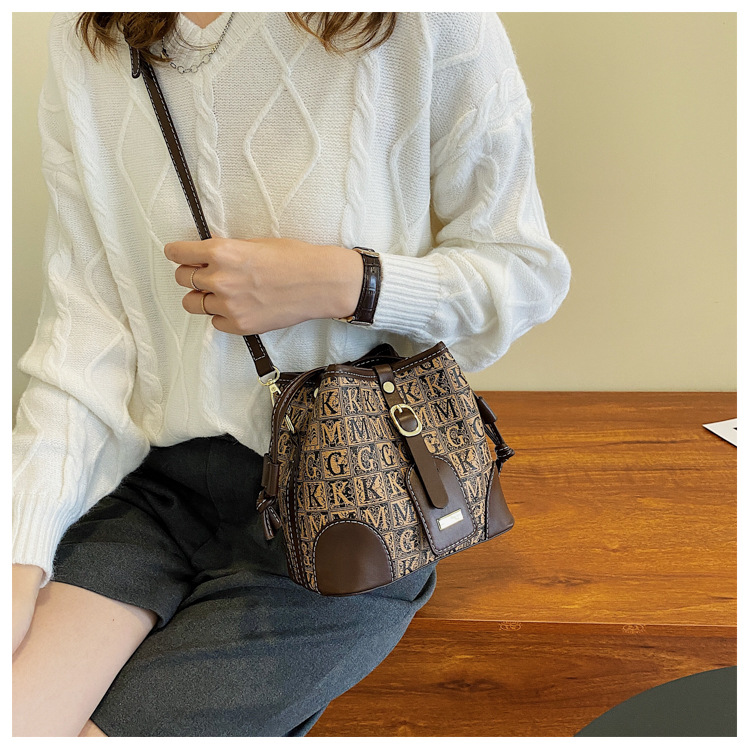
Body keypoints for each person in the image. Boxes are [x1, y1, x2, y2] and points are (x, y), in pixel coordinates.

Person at [12, 11, 572, 737]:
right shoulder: (93, 32)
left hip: (349, 509)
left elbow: (524, 276)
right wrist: (18, 556)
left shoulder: (427, 22)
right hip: (150, 494)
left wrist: (347, 282)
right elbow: (83, 338)